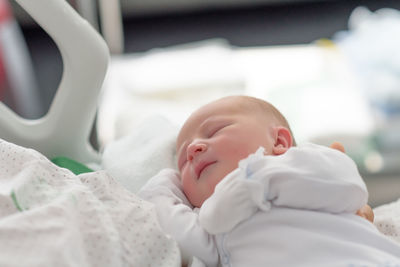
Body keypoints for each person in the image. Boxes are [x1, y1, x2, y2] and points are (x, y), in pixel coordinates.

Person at [139, 95, 399, 267]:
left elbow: (349, 186)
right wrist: (162, 188)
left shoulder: (300, 167)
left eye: (215, 130)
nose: (193, 148)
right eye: (183, 160)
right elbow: (182, 240)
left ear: (279, 142)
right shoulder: (209, 222)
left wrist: (253, 181)